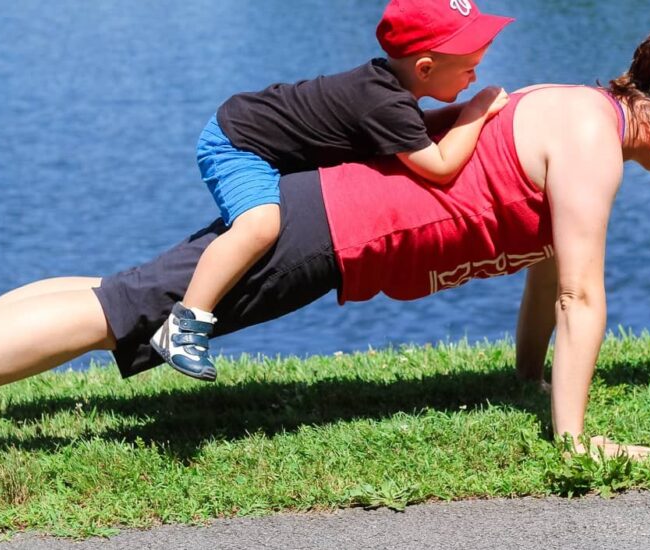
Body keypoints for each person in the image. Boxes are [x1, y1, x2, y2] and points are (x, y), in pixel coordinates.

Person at [0, 29, 650, 493]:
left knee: (118, 291)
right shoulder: (594, 144)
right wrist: (575, 437)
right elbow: (584, 298)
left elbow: (549, 269)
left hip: (326, 217)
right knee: (120, 312)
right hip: (330, 229)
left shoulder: (578, 111)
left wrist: (524, 379)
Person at [155, 0, 514, 383]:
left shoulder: (386, 91)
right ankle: (184, 325)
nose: (474, 81)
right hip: (237, 143)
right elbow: (440, 167)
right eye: (469, 70)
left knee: (268, 227)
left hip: (253, 132)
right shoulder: (384, 102)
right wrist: (475, 112)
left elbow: (411, 129)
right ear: (424, 68)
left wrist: (466, 116)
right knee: (260, 227)